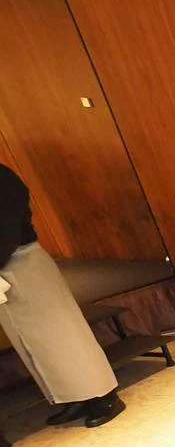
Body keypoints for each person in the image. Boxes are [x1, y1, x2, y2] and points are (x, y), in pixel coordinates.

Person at [0, 164, 123, 427]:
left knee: (62, 337)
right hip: (4, 266)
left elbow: (6, 230)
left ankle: (105, 397)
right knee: (34, 343)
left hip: (21, 260)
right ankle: (74, 397)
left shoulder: (2, 177)